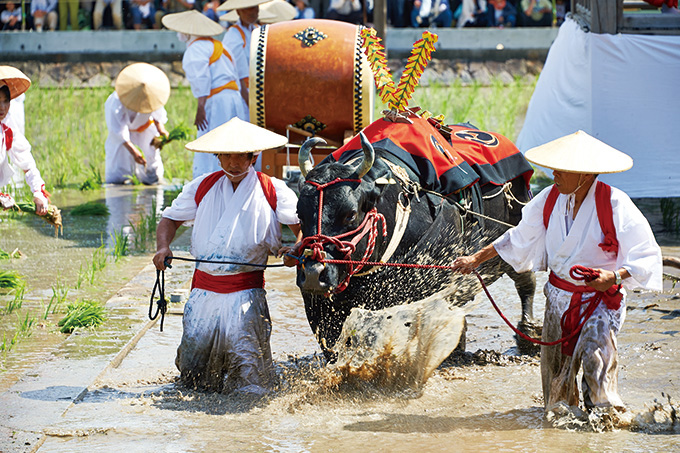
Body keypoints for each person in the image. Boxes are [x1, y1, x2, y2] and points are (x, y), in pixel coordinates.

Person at [452, 131, 662, 414]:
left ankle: (607, 422)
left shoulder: (614, 203)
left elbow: (646, 253)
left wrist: (613, 277)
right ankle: (562, 428)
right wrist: (475, 258)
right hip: (558, 299)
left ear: (585, 175)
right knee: (555, 378)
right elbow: (518, 237)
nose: (554, 174)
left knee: (596, 362)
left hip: (599, 300)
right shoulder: (549, 199)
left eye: (561, 170)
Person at [153, 117, 301, 394]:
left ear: (252, 157)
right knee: (193, 372)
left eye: (240, 157)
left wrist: (295, 248)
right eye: (227, 156)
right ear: (217, 156)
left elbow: (301, 227)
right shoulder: (201, 187)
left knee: (250, 376)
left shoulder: (273, 189)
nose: (234, 163)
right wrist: (163, 247)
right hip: (203, 294)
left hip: (246, 293)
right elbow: (169, 219)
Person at [162, 10, 248, 179]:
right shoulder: (221, 46)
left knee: (212, 143)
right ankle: (235, 177)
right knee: (234, 143)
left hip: (217, 101)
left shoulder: (195, 50)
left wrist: (200, 106)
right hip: (234, 99)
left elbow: (202, 79)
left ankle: (209, 180)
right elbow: (238, 78)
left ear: (188, 32)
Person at [104, 63, 170, 185]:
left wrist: (162, 131)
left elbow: (157, 114)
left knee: (151, 166)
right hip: (123, 138)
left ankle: (152, 190)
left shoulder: (153, 93)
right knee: (119, 172)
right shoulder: (115, 101)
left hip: (146, 131)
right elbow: (117, 129)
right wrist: (134, 151)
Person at [0, 66, 50, 216]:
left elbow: (25, 160)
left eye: (6, 101)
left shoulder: (6, 126)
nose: (2, 107)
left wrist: (38, 192)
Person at [218, 0, 270, 112]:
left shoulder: (257, 30)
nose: (253, 12)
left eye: (255, 8)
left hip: (259, 90)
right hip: (243, 94)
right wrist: (252, 107)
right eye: (248, 9)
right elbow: (240, 77)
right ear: (238, 12)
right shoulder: (234, 36)